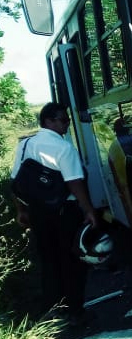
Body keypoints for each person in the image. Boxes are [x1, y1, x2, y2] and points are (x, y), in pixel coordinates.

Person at [12, 102, 99, 323]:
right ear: (48, 121)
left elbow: (17, 181)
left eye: (67, 120)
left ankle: (53, 311)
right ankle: (76, 312)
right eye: (63, 120)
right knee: (72, 260)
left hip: (37, 212)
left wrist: (21, 210)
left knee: (49, 261)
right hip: (65, 211)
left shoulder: (24, 145)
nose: (67, 125)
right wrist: (88, 210)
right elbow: (74, 182)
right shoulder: (64, 147)